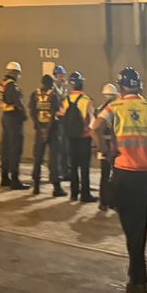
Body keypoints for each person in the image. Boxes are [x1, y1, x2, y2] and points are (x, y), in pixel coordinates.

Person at [94, 66, 147, 293]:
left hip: (124, 172)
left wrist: (106, 152)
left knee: (130, 225)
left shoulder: (114, 106)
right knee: (141, 221)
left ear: (120, 87)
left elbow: (95, 128)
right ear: (139, 86)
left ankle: (138, 275)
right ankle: (136, 274)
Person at [60, 71, 98, 203]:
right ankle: (85, 194)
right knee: (84, 167)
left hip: (71, 137)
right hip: (84, 137)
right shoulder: (87, 100)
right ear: (81, 83)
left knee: (74, 165)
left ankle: (74, 193)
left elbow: (62, 116)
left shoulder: (66, 100)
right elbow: (92, 121)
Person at [30, 74, 65, 196]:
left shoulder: (35, 95)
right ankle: (56, 187)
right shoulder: (53, 95)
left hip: (39, 130)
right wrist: (47, 130)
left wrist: (40, 128)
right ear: (51, 83)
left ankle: (36, 186)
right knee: (54, 159)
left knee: (38, 158)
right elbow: (54, 113)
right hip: (52, 131)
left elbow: (32, 113)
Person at [0, 61, 29, 189]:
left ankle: (4, 177)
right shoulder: (13, 87)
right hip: (14, 119)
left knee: (6, 147)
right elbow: (19, 104)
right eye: (18, 73)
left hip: (6, 117)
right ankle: (15, 179)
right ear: (15, 73)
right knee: (15, 149)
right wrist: (24, 115)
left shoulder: (3, 84)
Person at [93, 82, 119, 211]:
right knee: (115, 174)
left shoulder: (99, 109)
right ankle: (114, 201)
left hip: (103, 145)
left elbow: (94, 128)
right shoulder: (115, 108)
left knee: (104, 174)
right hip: (114, 146)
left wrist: (101, 148)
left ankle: (103, 201)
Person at [51, 64, 72, 177]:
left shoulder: (64, 88)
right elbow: (59, 102)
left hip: (64, 120)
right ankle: (57, 171)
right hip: (56, 121)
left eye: (63, 75)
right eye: (60, 75)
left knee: (65, 146)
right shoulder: (53, 89)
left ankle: (65, 170)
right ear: (55, 76)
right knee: (58, 148)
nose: (62, 78)